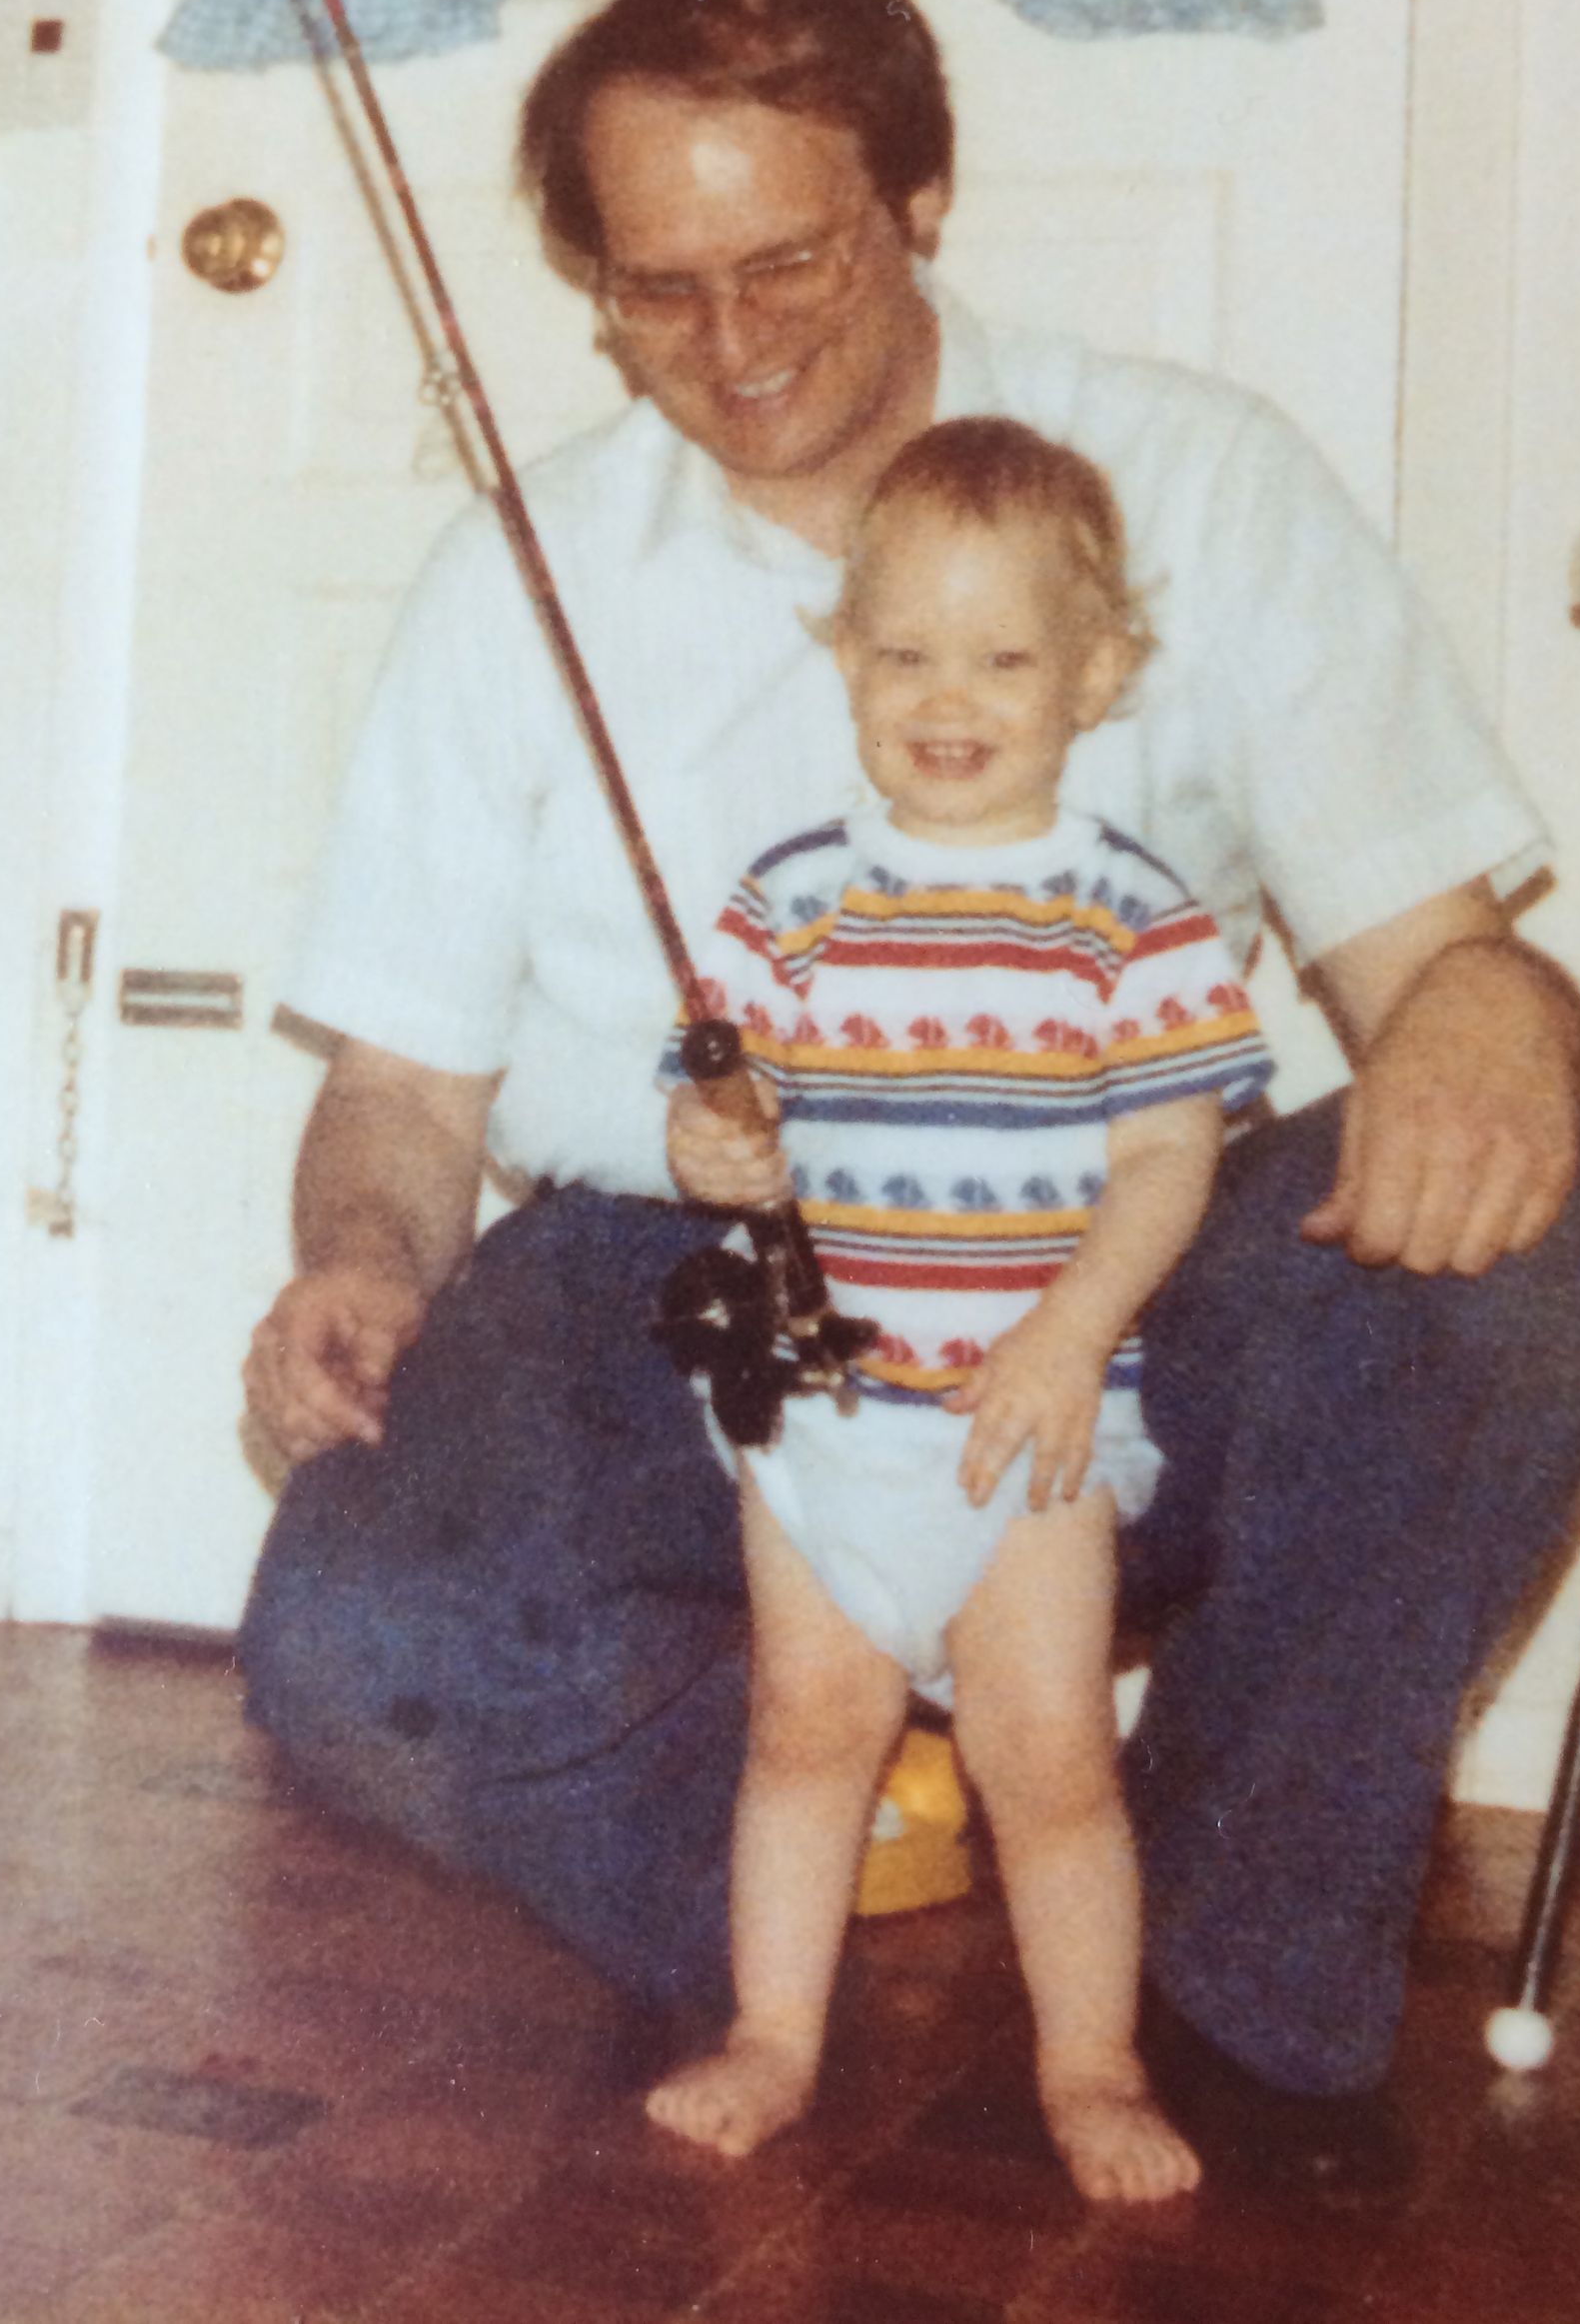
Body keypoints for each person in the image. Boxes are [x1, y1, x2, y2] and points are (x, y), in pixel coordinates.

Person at [238, 0, 1580, 2199]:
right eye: (654, 289)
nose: (732, 344)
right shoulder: (518, 568)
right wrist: (353, 1258)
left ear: (920, 196)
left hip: (1109, 1280)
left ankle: (1211, 1948)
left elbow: (1443, 959)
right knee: (363, 1641)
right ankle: (870, 1875)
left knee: (1524, 1225)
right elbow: (405, 1087)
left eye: (786, 258)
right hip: (682, 1283)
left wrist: (1493, 1023)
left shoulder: (1198, 471)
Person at [643, 416, 1272, 2199]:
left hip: (1031, 1416)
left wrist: (1072, 1334)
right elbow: (720, 1116)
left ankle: (1091, 2061)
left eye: (1005, 659)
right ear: (845, 657)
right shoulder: (792, 900)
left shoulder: (1130, 918)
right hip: (831, 1417)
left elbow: (1167, 1162)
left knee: (1050, 1758)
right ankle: (775, 2033)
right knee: (805, 1728)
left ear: (1099, 673)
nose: (949, 694)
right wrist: (722, 1149)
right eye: (903, 650)